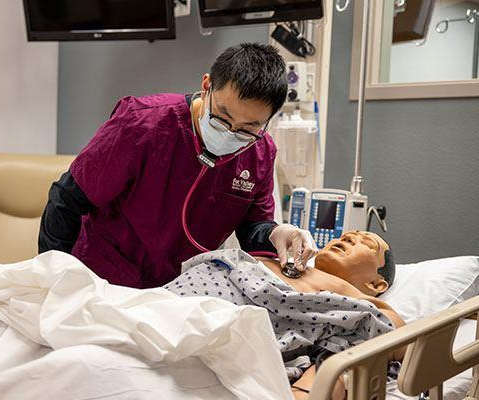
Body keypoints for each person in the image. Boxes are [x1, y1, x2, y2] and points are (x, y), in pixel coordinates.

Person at [38, 43, 317, 289]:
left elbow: (251, 230)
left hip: (178, 291)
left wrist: (276, 233)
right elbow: (66, 200)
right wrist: (54, 282)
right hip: (101, 279)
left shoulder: (260, 153)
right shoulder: (141, 124)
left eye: (248, 127)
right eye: (222, 117)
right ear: (207, 85)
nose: (231, 132)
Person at [163, 230, 405, 399]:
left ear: (377, 285)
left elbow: (395, 335)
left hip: (225, 318)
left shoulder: (361, 305)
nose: (348, 237)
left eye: (366, 243)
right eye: (345, 236)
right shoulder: (283, 259)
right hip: (179, 295)